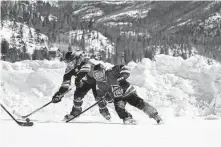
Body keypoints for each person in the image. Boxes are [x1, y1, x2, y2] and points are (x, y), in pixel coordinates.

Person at [91, 64, 163, 124]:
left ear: (104, 71)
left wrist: (123, 75)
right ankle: (127, 117)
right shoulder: (99, 84)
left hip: (128, 91)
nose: (99, 77)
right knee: (119, 108)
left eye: (100, 74)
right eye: (96, 75)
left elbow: (123, 68)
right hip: (118, 97)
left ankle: (155, 115)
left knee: (139, 103)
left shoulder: (111, 72)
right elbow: (100, 99)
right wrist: (106, 101)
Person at [51, 51, 111, 121]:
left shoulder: (83, 61)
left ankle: (105, 112)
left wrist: (78, 78)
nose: (70, 63)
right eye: (68, 62)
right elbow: (65, 84)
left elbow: (86, 69)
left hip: (96, 80)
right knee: (77, 97)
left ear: (76, 59)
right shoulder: (69, 69)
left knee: (99, 98)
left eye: (71, 61)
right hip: (85, 82)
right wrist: (59, 94)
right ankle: (75, 112)